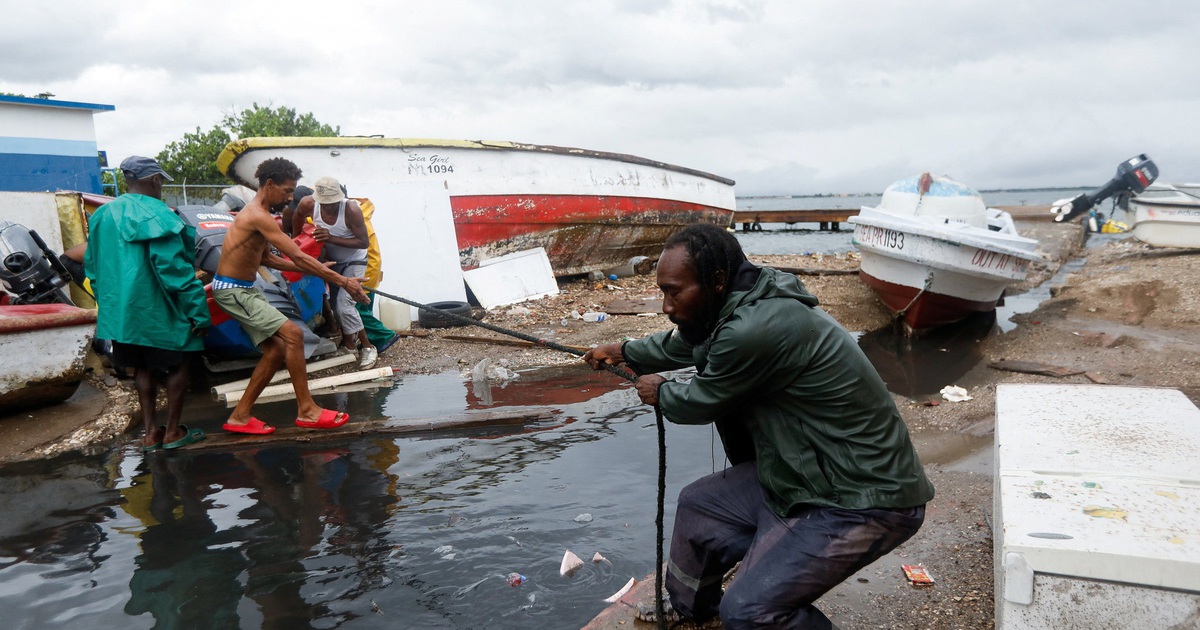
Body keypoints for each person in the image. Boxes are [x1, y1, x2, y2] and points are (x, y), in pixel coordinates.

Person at [584, 224, 934, 628]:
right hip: (801, 472)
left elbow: (700, 400)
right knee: (699, 506)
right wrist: (624, 351)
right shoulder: (739, 299)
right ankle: (694, 612)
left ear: (716, 280)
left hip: (863, 496)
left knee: (750, 611)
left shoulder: (755, 327)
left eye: (674, 292)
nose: (666, 306)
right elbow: (688, 343)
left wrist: (661, 392)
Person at [213, 158, 369, 435]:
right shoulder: (257, 215)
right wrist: (342, 280)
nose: (289, 198)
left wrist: (317, 270)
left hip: (243, 289)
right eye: (287, 191)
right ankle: (307, 410)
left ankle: (240, 416)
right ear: (269, 184)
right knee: (294, 335)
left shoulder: (259, 215)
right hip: (233, 290)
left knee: (275, 351)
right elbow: (297, 255)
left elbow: (268, 260)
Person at [84, 156, 210, 451]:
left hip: (123, 313)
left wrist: (111, 308)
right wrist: (198, 312)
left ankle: (151, 433)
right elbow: (174, 271)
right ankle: (173, 432)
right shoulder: (160, 214)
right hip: (160, 309)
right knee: (178, 364)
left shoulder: (102, 215)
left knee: (141, 368)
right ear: (154, 179)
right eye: (161, 180)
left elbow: (93, 267)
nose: (161, 185)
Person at [291, 176, 380, 368]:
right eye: (325, 204)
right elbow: (296, 215)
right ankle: (349, 345)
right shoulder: (308, 203)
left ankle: (367, 347)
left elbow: (363, 242)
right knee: (334, 304)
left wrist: (330, 237)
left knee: (344, 304)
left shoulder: (351, 210)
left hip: (354, 259)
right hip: (332, 260)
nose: (329, 207)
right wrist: (295, 242)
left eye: (332, 203)